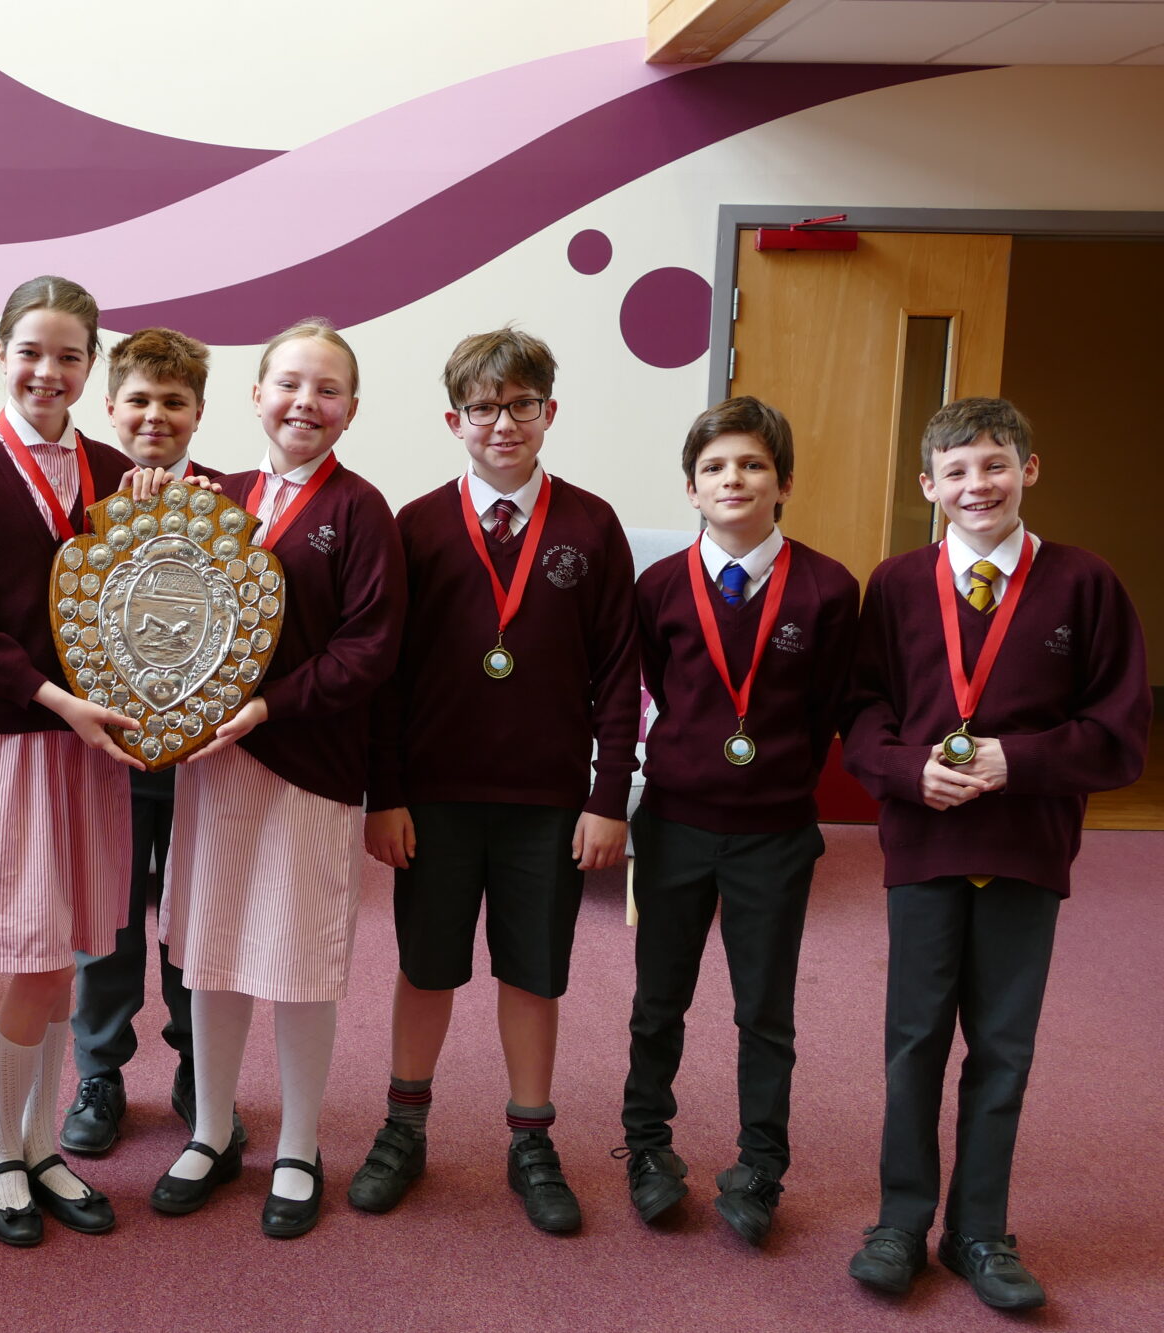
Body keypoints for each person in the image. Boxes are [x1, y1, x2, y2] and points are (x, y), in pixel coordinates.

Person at [842, 397, 1149, 1311]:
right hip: (926, 842)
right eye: (958, 471)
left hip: (1026, 844)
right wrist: (907, 769)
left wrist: (1021, 760)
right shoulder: (896, 585)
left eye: (995, 465)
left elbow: (1120, 733)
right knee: (914, 1041)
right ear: (928, 485)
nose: (978, 485)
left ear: (1030, 470)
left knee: (1004, 1046)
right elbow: (861, 711)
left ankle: (979, 1228)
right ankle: (901, 1220)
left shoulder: (1085, 584)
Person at [354, 326, 638, 1232]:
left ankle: (530, 1137)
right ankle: (404, 1127)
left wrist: (607, 796)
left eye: (521, 405)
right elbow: (386, 676)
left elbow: (618, 673)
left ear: (550, 411)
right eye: (483, 408)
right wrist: (385, 793)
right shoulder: (415, 525)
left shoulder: (591, 525)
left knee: (534, 972)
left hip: (547, 802)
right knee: (425, 966)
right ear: (454, 421)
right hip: (433, 799)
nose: (503, 423)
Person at [151, 317, 406, 1239]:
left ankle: (299, 1143)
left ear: (351, 409)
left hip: (309, 766)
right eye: (289, 383)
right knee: (213, 952)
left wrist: (267, 706)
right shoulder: (211, 495)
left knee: (299, 964)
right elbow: (160, 609)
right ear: (256, 394)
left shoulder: (362, 512)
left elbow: (369, 649)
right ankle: (213, 1130)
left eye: (327, 389)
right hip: (213, 769)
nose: (306, 402)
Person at [0, 275, 139, 1246]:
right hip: (11, 734)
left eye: (68, 356)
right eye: (31, 352)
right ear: (0, 354)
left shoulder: (114, 468)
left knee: (69, 951)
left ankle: (40, 1147)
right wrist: (57, 699)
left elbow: (145, 600)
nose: (47, 371)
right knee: (35, 955)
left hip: (94, 742)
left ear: (91, 367)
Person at [617, 397, 859, 1244]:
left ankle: (761, 1164)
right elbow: (657, 685)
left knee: (765, 1010)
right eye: (715, 467)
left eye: (753, 464)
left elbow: (827, 708)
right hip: (675, 823)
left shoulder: (829, 588)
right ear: (691, 486)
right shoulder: (658, 587)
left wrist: (776, 774)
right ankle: (648, 1147)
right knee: (658, 999)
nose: (734, 479)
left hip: (774, 833)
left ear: (783, 482)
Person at [60, 327, 241, 1157]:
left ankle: (201, 1066)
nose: (155, 415)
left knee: (195, 920)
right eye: (139, 399)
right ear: (110, 407)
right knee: (108, 921)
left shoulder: (233, 506)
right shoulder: (80, 502)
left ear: (199, 412)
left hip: (205, 756)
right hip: (110, 751)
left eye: (174, 401)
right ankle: (99, 1071)